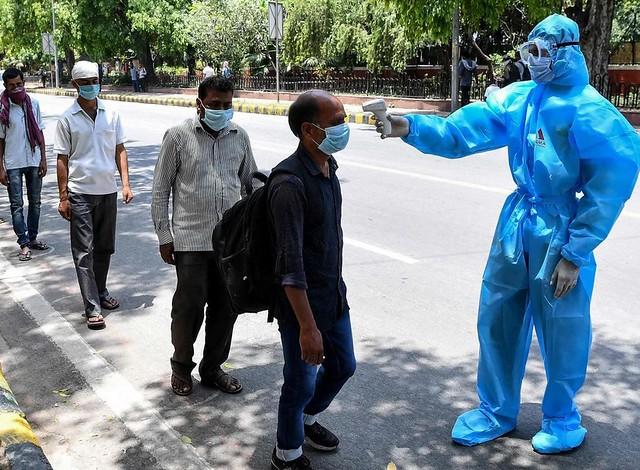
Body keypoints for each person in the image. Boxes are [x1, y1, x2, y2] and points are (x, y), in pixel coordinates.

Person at [376, 14, 640, 454]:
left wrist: (576, 251)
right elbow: (465, 129)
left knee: (563, 325)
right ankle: (496, 409)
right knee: (498, 313)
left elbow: (611, 181)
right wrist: (409, 126)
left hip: (560, 227)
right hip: (517, 221)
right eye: (529, 52)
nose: (534, 60)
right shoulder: (519, 99)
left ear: (567, 53)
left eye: (543, 52)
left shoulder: (589, 108)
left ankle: (561, 415)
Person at [151, 76, 257, 397]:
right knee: (190, 306)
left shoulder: (239, 137)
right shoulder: (178, 137)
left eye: (227, 105)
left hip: (230, 244)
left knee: (226, 308)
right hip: (190, 240)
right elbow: (160, 189)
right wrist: (164, 235)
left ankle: (212, 368)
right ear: (199, 104)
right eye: (215, 105)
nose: (222, 110)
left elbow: (250, 183)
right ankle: (181, 366)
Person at [268, 90, 356, 470]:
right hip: (300, 307)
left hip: (333, 297)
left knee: (343, 366)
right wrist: (307, 327)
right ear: (309, 130)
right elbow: (290, 264)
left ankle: (306, 419)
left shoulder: (328, 167)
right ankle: (286, 453)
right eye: (336, 121)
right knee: (300, 383)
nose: (344, 127)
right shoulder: (289, 183)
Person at [54, 61, 134, 330]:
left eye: (95, 80)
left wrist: (125, 183)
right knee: (84, 252)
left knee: (105, 248)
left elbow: (119, 149)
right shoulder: (67, 119)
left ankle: (100, 291)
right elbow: (62, 159)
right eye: (85, 82)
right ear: (75, 85)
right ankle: (92, 306)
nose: (91, 86)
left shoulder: (111, 114)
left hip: (107, 190)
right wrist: (64, 196)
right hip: (80, 193)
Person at [0, 68, 48, 261]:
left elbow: (41, 132)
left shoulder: (33, 104)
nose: (17, 88)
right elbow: (0, 140)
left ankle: (33, 238)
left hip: (34, 160)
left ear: (24, 83)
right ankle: (24, 243)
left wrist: (43, 158)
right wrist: (0, 167)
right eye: (12, 86)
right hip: (13, 163)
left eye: (19, 84)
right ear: (6, 86)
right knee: (17, 205)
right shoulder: (3, 109)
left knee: (35, 202)